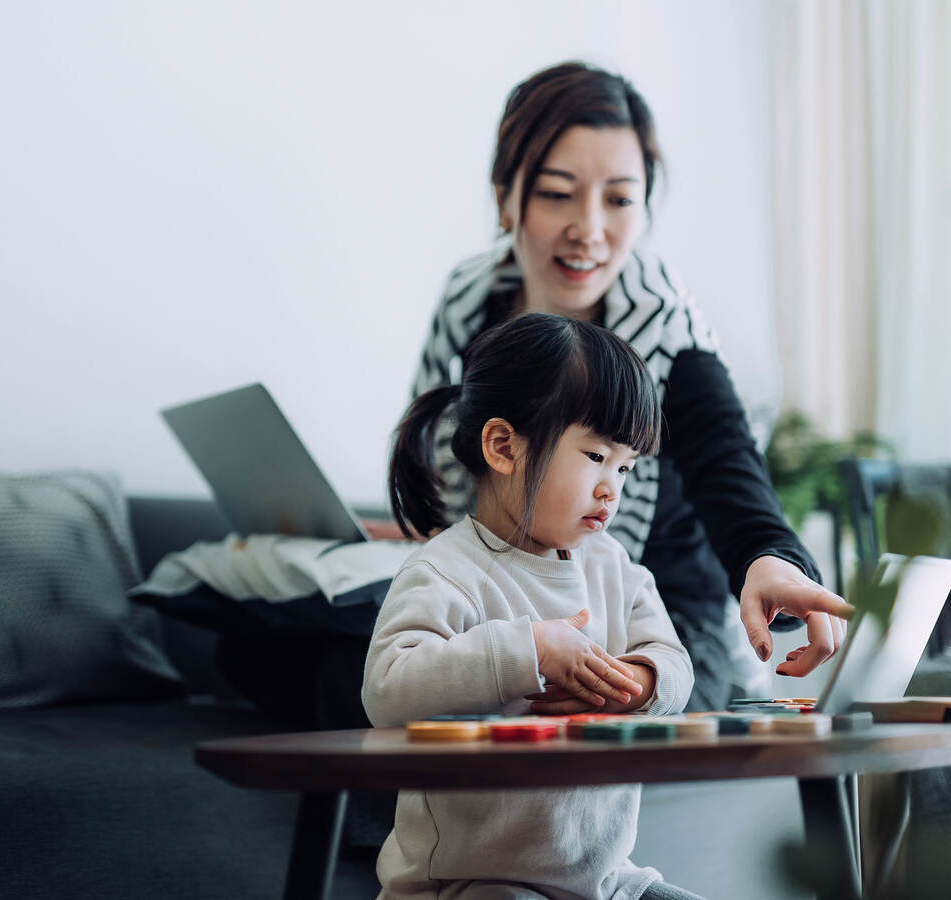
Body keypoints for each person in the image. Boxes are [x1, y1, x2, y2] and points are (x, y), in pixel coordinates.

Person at [411, 61, 852, 709]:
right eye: (558, 193)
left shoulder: (669, 333)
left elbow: (728, 464)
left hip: (653, 621)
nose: (589, 230)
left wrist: (769, 557)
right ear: (506, 198)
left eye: (618, 199)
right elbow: (436, 460)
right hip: (492, 598)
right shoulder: (468, 301)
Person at [363, 312, 701, 900]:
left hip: (605, 880)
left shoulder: (612, 567)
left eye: (625, 466)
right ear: (503, 446)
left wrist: (641, 681)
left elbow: (673, 662)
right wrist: (530, 650)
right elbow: (387, 689)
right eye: (595, 457)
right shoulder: (447, 570)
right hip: (471, 883)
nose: (612, 488)